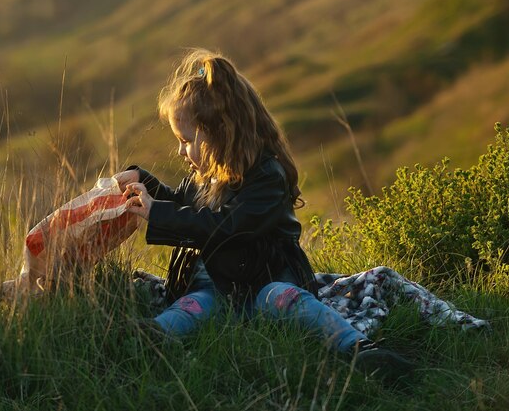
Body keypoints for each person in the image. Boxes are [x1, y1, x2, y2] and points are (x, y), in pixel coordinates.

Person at [113, 49, 415, 384]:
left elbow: (229, 228)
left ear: (219, 133)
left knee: (284, 298)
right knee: (193, 306)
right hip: (215, 290)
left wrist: (158, 212)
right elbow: (183, 207)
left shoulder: (266, 178)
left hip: (263, 284)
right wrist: (144, 182)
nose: (181, 151)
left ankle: (359, 349)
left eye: (186, 141)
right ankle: (149, 339)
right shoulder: (205, 176)